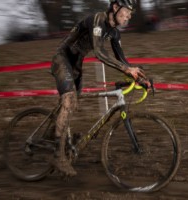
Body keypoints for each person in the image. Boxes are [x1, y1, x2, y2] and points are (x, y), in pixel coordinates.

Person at [50, 0, 150, 177]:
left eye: (131, 14)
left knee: (72, 105)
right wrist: (126, 69)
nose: (128, 16)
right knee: (69, 100)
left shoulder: (114, 33)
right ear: (115, 7)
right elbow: (98, 52)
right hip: (62, 58)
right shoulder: (98, 20)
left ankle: (55, 134)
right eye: (126, 12)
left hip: (76, 64)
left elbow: (122, 60)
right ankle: (58, 156)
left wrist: (140, 78)